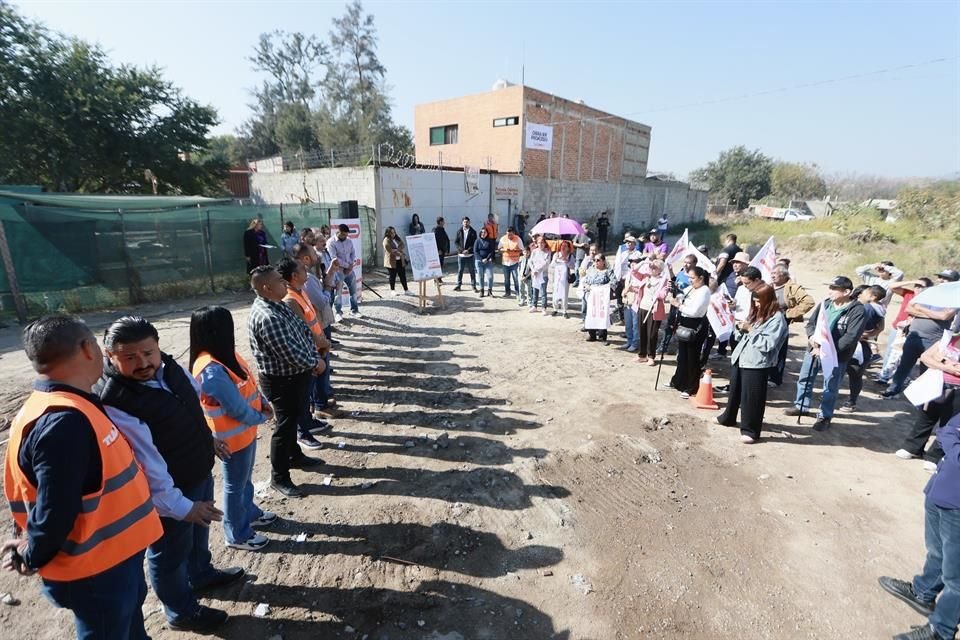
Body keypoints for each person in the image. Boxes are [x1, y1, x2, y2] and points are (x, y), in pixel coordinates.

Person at [2, 315, 163, 640]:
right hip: (96, 572)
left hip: (112, 560)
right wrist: (30, 554)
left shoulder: (65, 406)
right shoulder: (65, 423)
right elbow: (53, 509)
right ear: (88, 349)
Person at [95, 316, 241, 632]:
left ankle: (200, 574)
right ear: (110, 356)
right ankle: (180, 611)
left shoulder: (171, 368)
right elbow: (147, 466)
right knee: (168, 553)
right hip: (169, 492)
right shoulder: (116, 401)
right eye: (130, 357)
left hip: (197, 470)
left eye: (148, 352)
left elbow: (190, 407)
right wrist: (181, 506)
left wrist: (208, 439)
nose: (143, 363)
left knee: (198, 533)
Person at [190, 306, 275, 552]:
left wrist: (263, 404)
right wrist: (261, 416)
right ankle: (236, 533)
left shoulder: (226, 356)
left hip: (244, 433)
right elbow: (236, 409)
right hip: (232, 440)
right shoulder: (210, 369)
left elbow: (248, 384)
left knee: (244, 481)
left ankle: (249, 512)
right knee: (234, 485)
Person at [879, 411, 960, 640]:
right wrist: (952, 438)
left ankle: (941, 631)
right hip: (942, 488)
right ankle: (923, 592)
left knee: (957, 577)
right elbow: (947, 429)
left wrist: (952, 440)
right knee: (937, 551)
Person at [248, 266, 326, 498]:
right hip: (283, 381)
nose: (285, 283)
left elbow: (302, 330)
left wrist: (314, 352)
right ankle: (279, 477)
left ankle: (295, 455)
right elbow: (290, 352)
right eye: (279, 281)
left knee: (292, 421)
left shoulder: (279, 304)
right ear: (266, 287)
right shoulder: (267, 316)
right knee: (284, 427)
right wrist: (315, 362)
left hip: (295, 377)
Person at [785, 276, 866, 431]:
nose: (830, 291)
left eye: (834, 289)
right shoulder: (825, 303)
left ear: (847, 292)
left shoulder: (857, 310)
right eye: (830, 287)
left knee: (830, 386)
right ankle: (801, 405)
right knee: (805, 379)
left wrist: (828, 351)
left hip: (837, 355)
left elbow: (851, 336)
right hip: (814, 349)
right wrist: (811, 339)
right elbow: (812, 324)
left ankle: (824, 416)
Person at [716, 284, 788, 443]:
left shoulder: (777, 319)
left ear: (769, 300)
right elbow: (743, 336)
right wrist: (740, 329)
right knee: (735, 392)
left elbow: (769, 344)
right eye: (754, 301)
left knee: (752, 397)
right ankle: (728, 417)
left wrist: (751, 330)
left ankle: (751, 430)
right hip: (741, 357)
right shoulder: (756, 313)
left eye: (759, 301)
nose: (756, 304)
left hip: (757, 362)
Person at [278, 257, 333, 452]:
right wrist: (321, 343)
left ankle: (309, 421)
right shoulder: (290, 299)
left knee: (308, 391)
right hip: (308, 354)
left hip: (317, 348)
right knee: (301, 395)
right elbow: (305, 329)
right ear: (294, 276)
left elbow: (313, 319)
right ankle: (302, 433)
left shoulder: (301, 292)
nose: (306, 269)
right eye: (302, 268)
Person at [883, 273, 959, 398]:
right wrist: (932, 314)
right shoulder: (929, 293)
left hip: (934, 339)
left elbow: (944, 316)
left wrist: (921, 310)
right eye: (941, 277)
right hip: (914, 335)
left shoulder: (954, 297)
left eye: (947, 279)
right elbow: (909, 309)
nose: (942, 280)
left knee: (929, 368)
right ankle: (893, 389)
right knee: (904, 364)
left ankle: (924, 397)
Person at [894, 330, 960, 469]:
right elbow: (926, 357)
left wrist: (942, 360)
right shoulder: (947, 339)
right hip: (936, 385)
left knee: (948, 424)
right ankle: (913, 447)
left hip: (957, 390)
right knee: (925, 417)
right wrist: (945, 365)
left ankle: (935, 456)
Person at [291, 243, 338, 423]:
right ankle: (320, 405)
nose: (317, 254)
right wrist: (328, 290)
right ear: (305, 258)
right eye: (313, 252)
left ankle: (320, 401)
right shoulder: (307, 279)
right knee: (320, 368)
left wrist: (330, 274)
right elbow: (321, 302)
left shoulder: (308, 277)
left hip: (317, 329)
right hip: (316, 331)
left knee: (320, 367)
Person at [875, 278, 934, 384]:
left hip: (913, 330)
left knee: (906, 355)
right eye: (917, 286)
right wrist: (911, 282)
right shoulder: (909, 294)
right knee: (891, 352)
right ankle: (885, 375)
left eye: (921, 286)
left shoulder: (928, 300)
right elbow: (892, 286)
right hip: (897, 327)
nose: (918, 288)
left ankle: (900, 378)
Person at [664, 266, 711, 398]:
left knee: (692, 357)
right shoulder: (692, 288)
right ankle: (678, 381)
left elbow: (694, 311)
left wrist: (678, 305)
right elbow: (681, 295)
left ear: (701, 278)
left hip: (695, 325)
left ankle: (691, 386)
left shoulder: (704, 291)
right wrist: (673, 290)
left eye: (692, 278)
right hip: (684, 323)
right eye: (689, 277)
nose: (690, 280)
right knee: (682, 356)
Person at [839, 285, 886, 413]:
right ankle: (851, 401)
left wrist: (858, 335)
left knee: (848, 372)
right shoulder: (880, 309)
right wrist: (869, 334)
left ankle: (850, 401)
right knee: (855, 375)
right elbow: (881, 327)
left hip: (855, 346)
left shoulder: (865, 308)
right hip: (862, 346)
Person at [769, 264, 815, 387]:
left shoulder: (792, 288)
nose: (772, 275)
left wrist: (789, 313)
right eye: (771, 273)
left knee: (779, 348)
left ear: (784, 275)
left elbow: (809, 302)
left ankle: (775, 378)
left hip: (782, 321)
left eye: (775, 273)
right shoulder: (768, 286)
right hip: (767, 320)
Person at [634, 259, 669, 363]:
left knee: (652, 334)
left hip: (654, 310)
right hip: (642, 307)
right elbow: (634, 272)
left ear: (660, 270)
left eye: (654, 267)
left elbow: (664, 294)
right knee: (642, 331)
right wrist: (643, 262)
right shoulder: (646, 277)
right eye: (651, 267)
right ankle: (642, 354)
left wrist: (658, 294)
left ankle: (651, 356)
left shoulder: (664, 281)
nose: (652, 269)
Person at [328, 223, 361, 318]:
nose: (346, 237)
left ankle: (354, 310)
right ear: (338, 232)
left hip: (349, 270)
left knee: (353, 291)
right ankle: (338, 313)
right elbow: (334, 258)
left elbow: (352, 253)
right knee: (338, 293)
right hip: (338, 271)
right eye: (344, 235)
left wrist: (350, 265)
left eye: (347, 235)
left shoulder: (349, 241)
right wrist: (347, 266)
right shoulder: (331, 242)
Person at [582, 253, 614, 342]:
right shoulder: (591, 270)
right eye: (594, 260)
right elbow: (585, 281)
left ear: (603, 261)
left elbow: (614, 282)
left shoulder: (608, 271)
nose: (596, 262)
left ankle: (602, 335)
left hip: (602, 295)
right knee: (592, 312)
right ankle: (591, 334)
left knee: (602, 313)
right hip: (592, 294)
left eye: (598, 260)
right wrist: (586, 285)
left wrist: (606, 288)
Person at [621, 252, 646, 352]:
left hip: (637, 300)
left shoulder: (643, 274)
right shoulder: (628, 273)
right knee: (628, 323)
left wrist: (632, 289)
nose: (632, 263)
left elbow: (643, 289)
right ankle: (629, 340)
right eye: (631, 261)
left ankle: (635, 343)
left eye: (635, 261)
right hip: (628, 300)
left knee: (636, 324)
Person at [382, 227, 412, 296]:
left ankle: (406, 290)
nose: (393, 234)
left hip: (400, 260)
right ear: (388, 233)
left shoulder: (397, 238)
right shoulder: (386, 240)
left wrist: (396, 249)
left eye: (394, 232)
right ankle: (392, 290)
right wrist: (397, 251)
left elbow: (402, 244)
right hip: (391, 261)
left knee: (402, 275)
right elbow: (389, 249)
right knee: (392, 276)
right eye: (392, 232)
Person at [551, 240, 576, 318]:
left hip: (565, 278)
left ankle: (564, 310)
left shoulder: (570, 256)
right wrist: (556, 259)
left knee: (564, 294)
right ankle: (555, 308)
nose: (563, 247)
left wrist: (567, 261)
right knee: (555, 292)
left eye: (565, 246)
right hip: (557, 277)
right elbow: (552, 265)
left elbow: (573, 266)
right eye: (562, 246)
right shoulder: (556, 254)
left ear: (568, 248)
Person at [528, 236, 552, 314]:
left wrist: (538, 270)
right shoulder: (534, 251)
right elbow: (530, 261)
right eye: (539, 242)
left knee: (543, 291)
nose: (541, 244)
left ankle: (543, 307)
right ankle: (534, 306)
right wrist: (533, 269)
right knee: (535, 290)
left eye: (542, 242)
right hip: (535, 274)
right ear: (537, 243)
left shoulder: (548, 252)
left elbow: (546, 263)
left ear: (545, 243)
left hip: (543, 274)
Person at [454, 217, 478, 292]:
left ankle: (473, 286)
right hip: (461, 255)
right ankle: (458, 285)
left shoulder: (473, 232)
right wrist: (461, 250)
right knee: (460, 270)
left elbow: (474, 243)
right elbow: (456, 242)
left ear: (469, 222)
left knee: (472, 271)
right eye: (464, 222)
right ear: (462, 223)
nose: (465, 223)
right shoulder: (459, 231)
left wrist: (468, 250)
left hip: (470, 255)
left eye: (467, 222)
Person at [498, 226, 524, 298]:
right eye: (508, 235)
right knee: (506, 279)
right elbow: (499, 249)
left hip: (514, 262)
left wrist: (514, 250)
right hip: (505, 262)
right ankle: (507, 292)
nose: (509, 236)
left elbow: (522, 250)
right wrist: (505, 250)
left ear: (514, 233)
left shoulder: (518, 239)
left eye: (511, 235)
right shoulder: (503, 239)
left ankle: (518, 293)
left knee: (516, 278)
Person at [474, 227, 496, 297]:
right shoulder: (477, 241)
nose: (483, 234)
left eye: (485, 232)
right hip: (479, 262)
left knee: (490, 276)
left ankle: (489, 291)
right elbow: (475, 251)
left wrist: (487, 258)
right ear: (480, 233)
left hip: (488, 261)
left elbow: (492, 251)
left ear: (487, 233)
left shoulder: (490, 241)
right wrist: (481, 259)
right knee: (481, 276)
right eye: (482, 232)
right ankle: (482, 290)